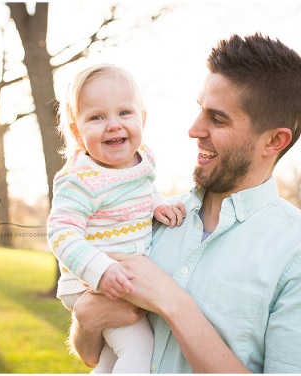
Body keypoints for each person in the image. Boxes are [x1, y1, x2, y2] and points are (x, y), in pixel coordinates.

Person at [69, 33, 301, 373]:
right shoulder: (149, 217)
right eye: (200, 109)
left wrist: (173, 303)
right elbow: (93, 355)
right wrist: (85, 322)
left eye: (217, 119)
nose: (193, 129)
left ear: (274, 141)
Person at [48, 63, 185, 373]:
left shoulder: (142, 159)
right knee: (141, 349)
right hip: (89, 282)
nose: (113, 125)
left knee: (112, 358)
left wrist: (157, 204)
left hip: (117, 277)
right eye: (96, 117)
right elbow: (61, 233)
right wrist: (101, 270)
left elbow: (141, 189)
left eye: (124, 113)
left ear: (142, 118)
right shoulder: (80, 178)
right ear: (76, 132)